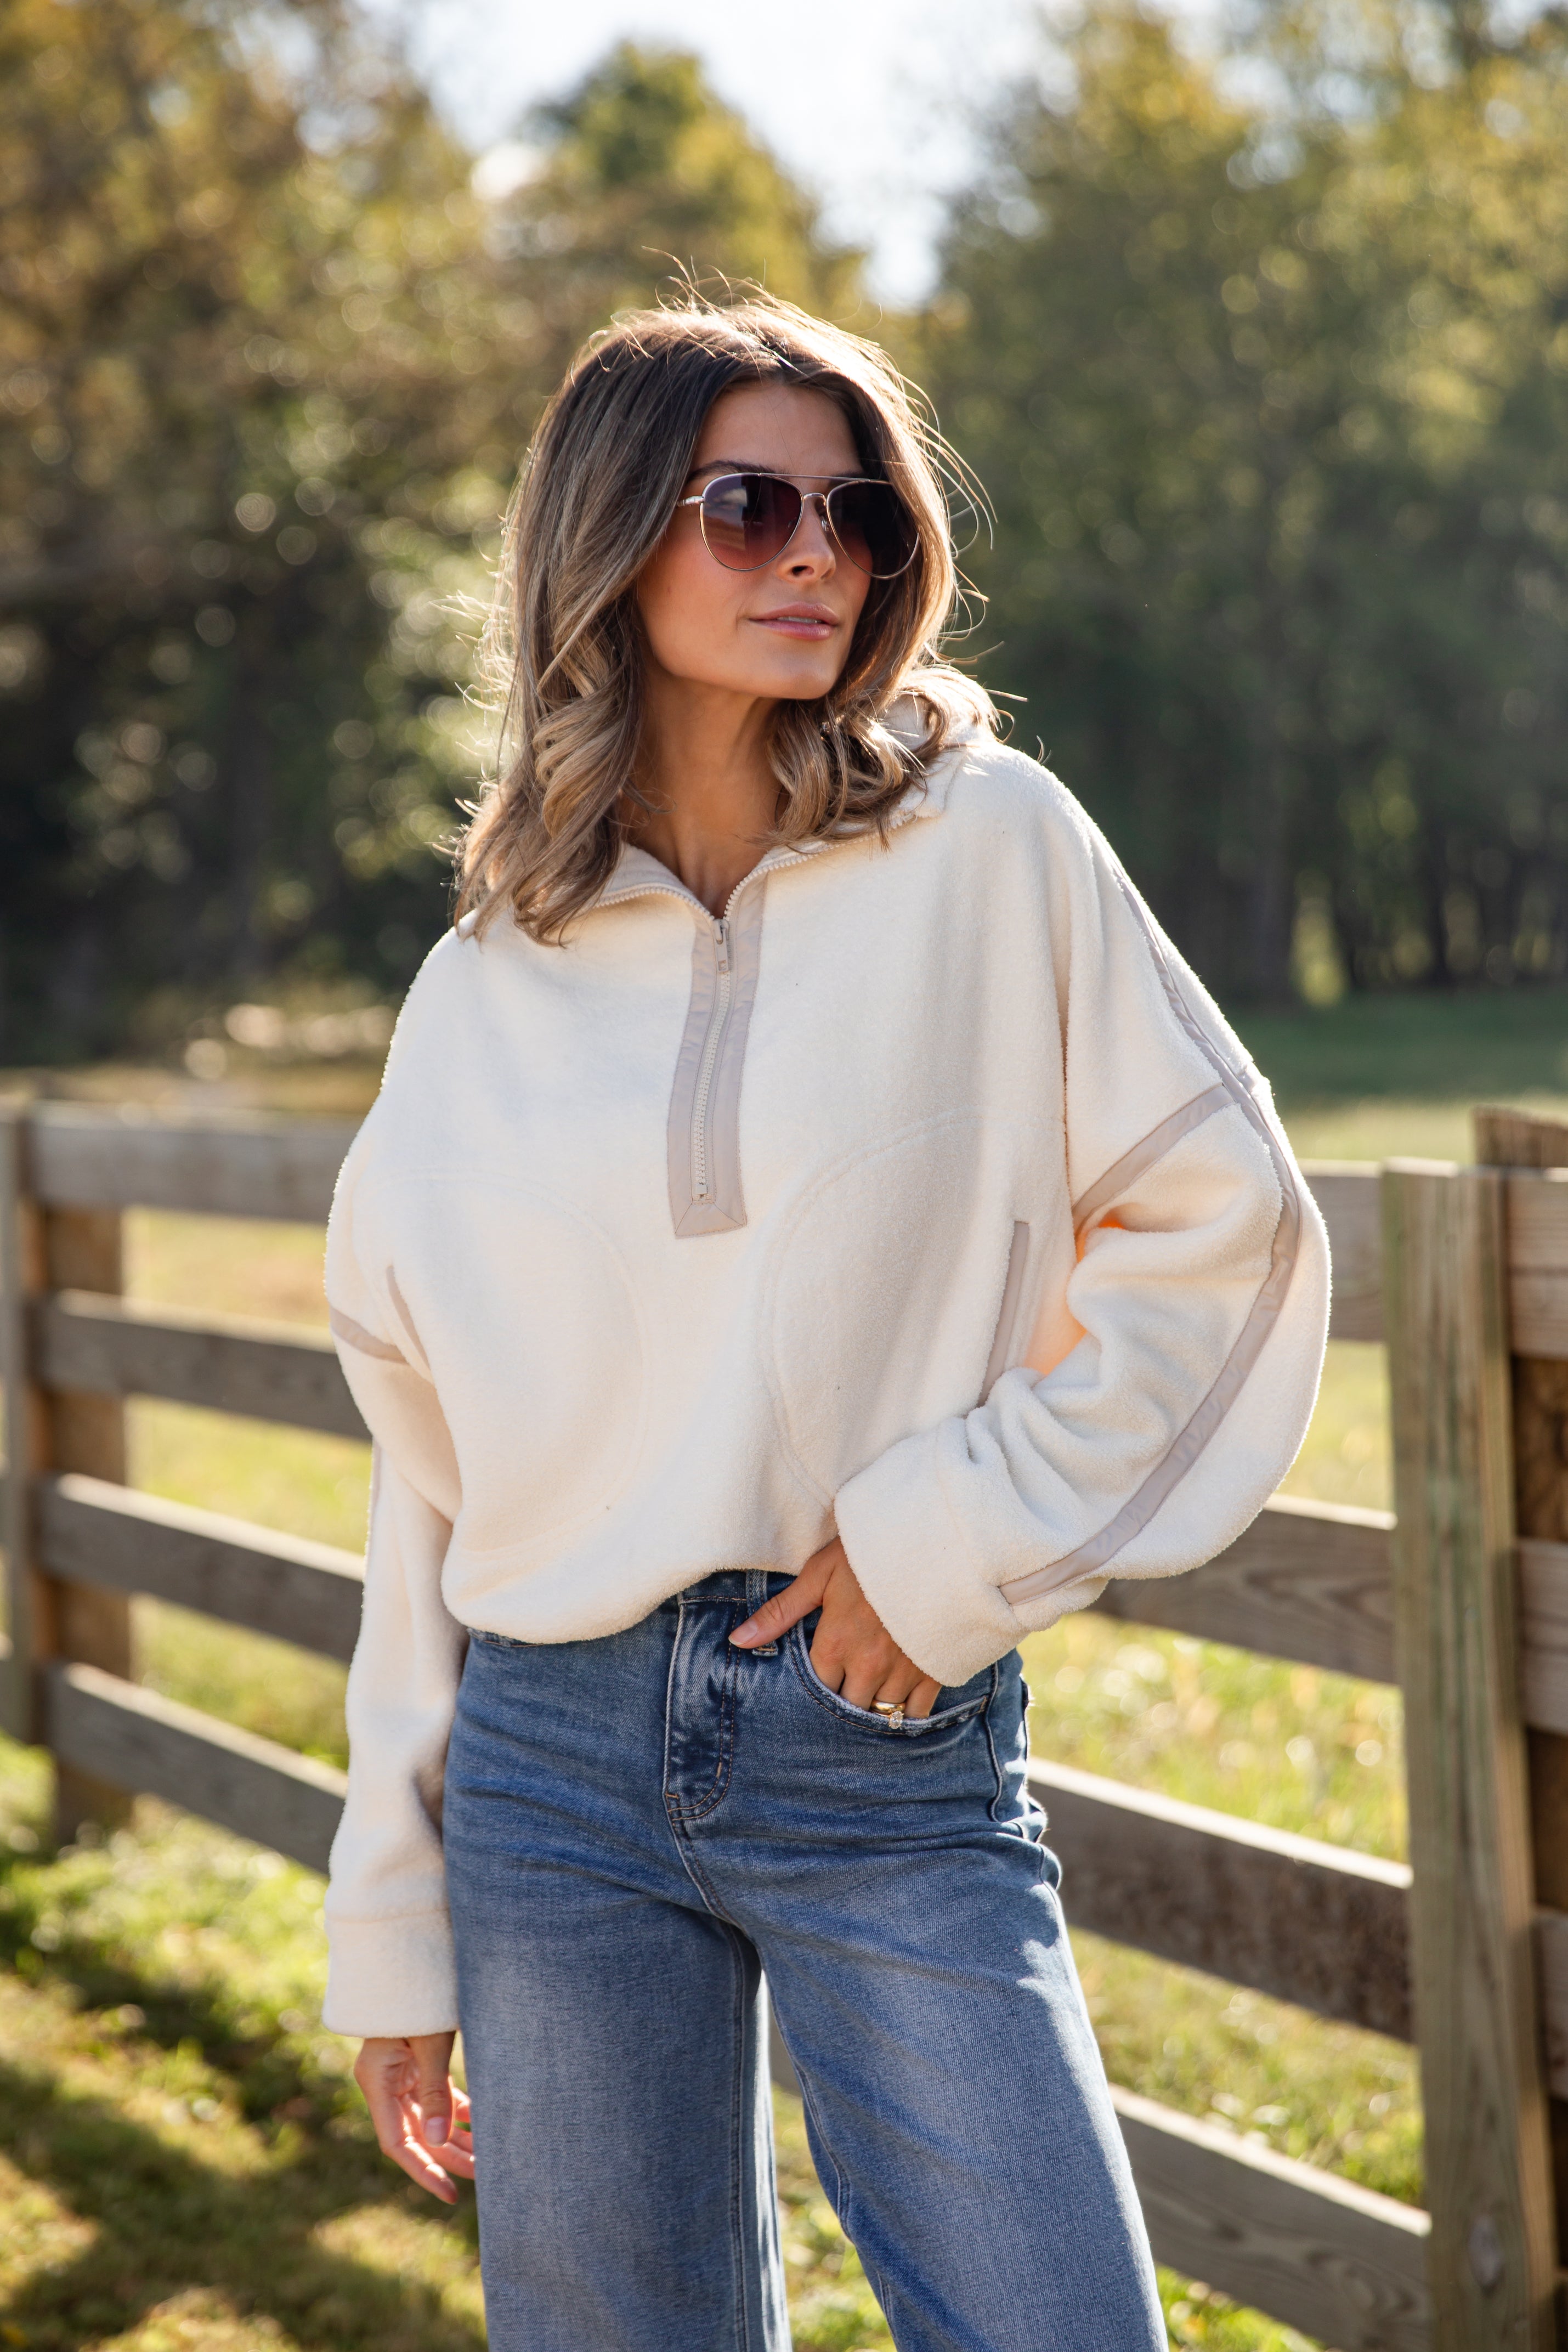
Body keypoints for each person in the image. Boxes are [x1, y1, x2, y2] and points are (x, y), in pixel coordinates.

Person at [320, 293, 1331, 2352]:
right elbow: (432, 1475)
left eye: (857, 514)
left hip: (877, 1737)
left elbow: (1220, 1232)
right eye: (748, 507)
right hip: (545, 1769)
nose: (818, 556)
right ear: (608, 540)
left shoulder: (993, 845)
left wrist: (949, 1545)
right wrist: (392, 1922)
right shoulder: (487, 977)